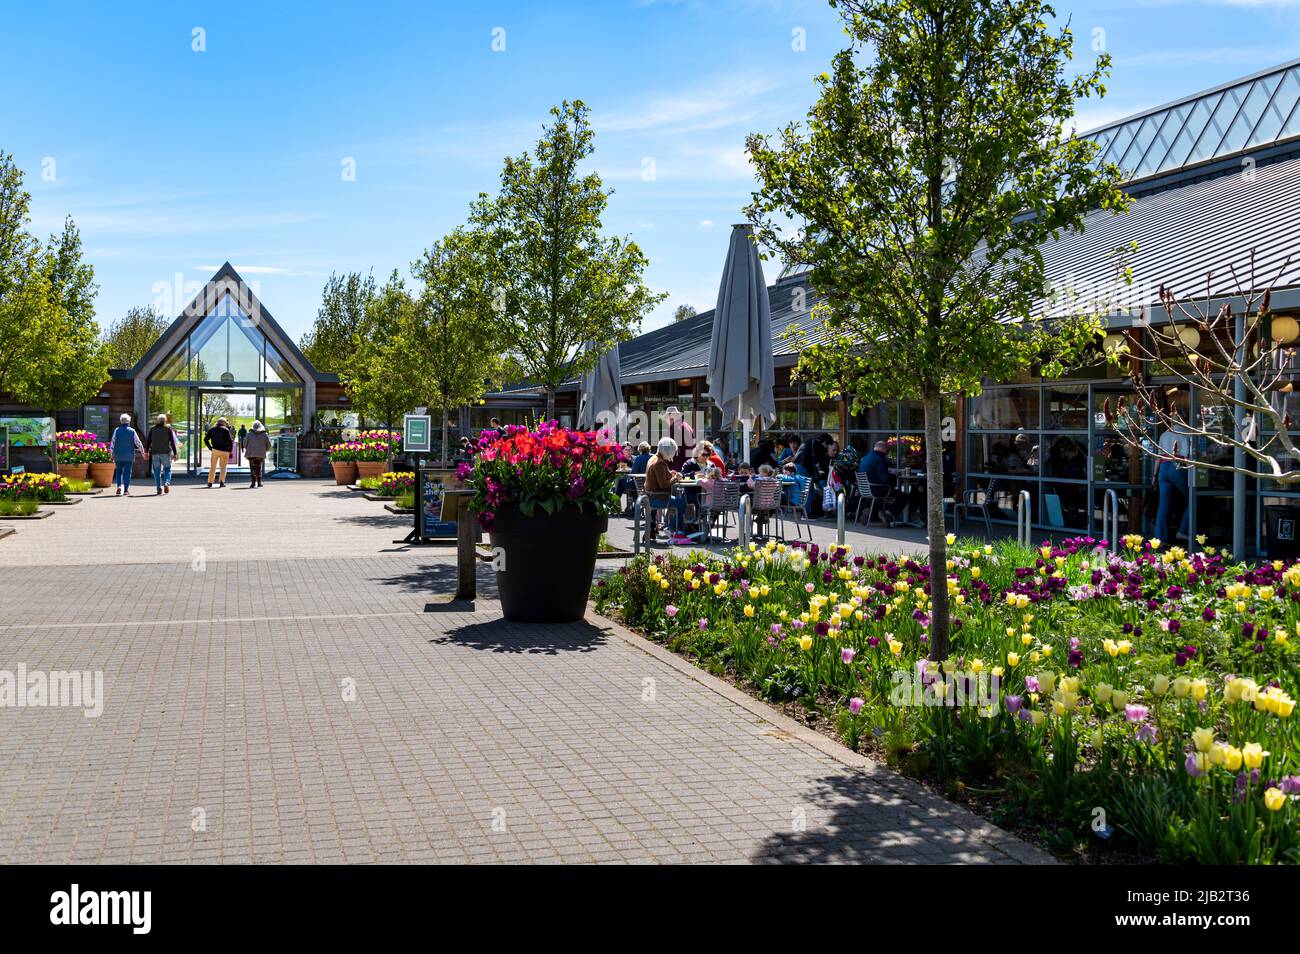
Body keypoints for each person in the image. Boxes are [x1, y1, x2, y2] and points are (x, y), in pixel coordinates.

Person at [1155, 423, 1193, 542]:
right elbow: (1187, 457)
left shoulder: (1164, 434)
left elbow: (1158, 457)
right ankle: (1183, 531)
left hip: (1163, 467)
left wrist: (1154, 476)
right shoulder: (1186, 433)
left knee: (1163, 505)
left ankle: (1159, 539)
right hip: (1177, 465)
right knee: (1194, 499)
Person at [644, 436, 687, 536]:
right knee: (682, 503)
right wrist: (676, 478)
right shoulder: (660, 463)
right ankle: (671, 528)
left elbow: (659, 476)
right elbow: (663, 485)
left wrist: (669, 473)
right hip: (658, 497)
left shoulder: (653, 458)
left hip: (650, 496)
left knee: (679, 502)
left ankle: (678, 529)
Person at [110, 414, 144, 497]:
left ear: (121, 421)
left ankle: (118, 486)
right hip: (129, 455)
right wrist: (142, 451)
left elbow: (113, 442)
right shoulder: (132, 431)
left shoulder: (117, 430)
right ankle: (125, 490)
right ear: (129, 421)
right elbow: (137, 442)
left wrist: (111, 453)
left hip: (118, 454)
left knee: (118, 471)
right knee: (127, 472)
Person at [145, 413, 178, 495]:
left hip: (155, 452)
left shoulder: (152, 429)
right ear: (165, 421)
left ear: (158, 421)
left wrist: (146, 451)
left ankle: (158, 488)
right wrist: (175, 453)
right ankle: (166, 482)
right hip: (166, 452)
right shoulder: (168, 429)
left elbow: (148, 441)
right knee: (167, 469)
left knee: (156, 471)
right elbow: (172, 442)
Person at [205, 417, 234, 488]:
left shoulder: (212, 429)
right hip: (225, 451)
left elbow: (205, 439)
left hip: (215, 450)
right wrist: (230, 451)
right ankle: (221, 482)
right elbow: (230, 441)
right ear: (223, 423)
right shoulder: (226, 430)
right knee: (223, 467)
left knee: (213, 467)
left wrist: (210, 448)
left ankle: (210, 482)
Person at [244, 420, 272, 488]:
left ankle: (253, 483)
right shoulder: (264, 434)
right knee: (259, 468)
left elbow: (244, 443)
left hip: (251, 454)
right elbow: (269, 445)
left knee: (252, 468)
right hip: (260, 454)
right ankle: (259, 483)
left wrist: (247, 448)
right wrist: (265, 450)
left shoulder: (249, 434)